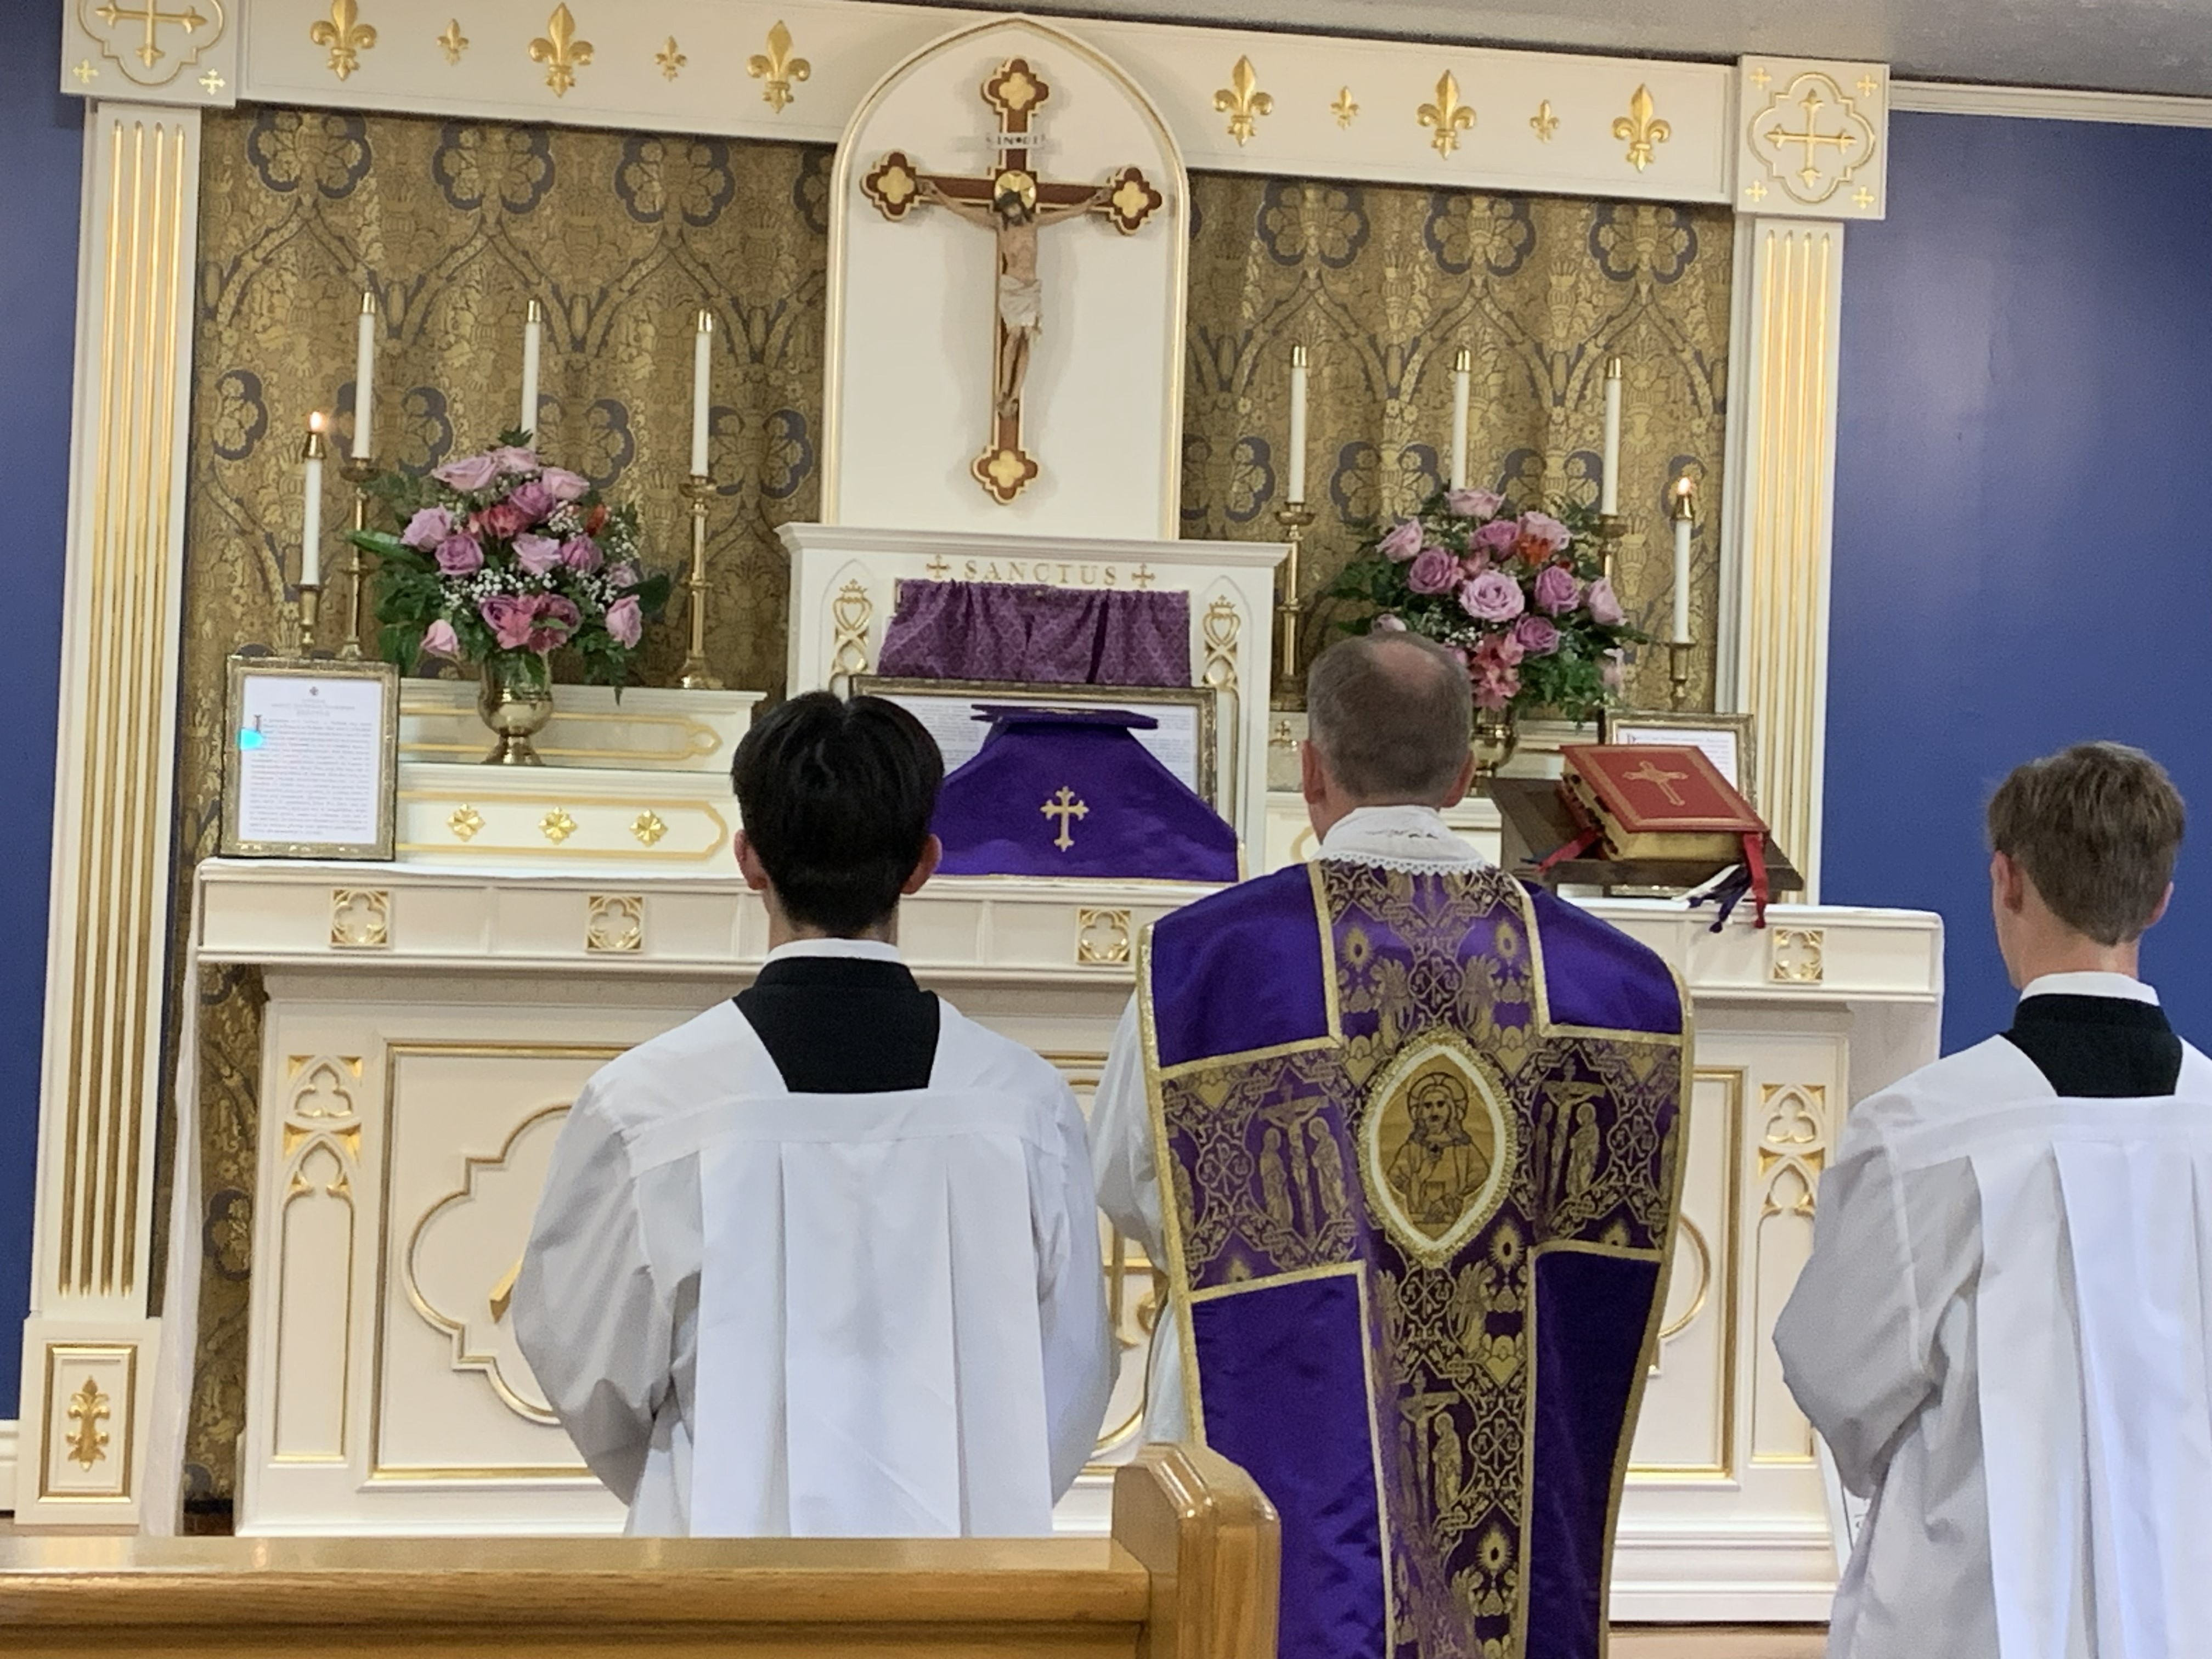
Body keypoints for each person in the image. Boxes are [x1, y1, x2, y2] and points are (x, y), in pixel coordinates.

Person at [1090, 631, 1688, 1659]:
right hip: (1516, 1419)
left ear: (1310, 768)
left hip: (1279, 1411)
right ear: (1466, 775)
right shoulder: (1611, 979)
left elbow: (1141, 1186)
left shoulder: (1214, 962)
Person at [514, 691, 1113, 1537]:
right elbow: (1072, 1372)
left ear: (749, 859)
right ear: (923, 865)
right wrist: (980, 1485)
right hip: (973, 1587)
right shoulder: (1023, 1102)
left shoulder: (649, 1103)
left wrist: (702, 1477)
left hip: (719, 1582)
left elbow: (588, 1368)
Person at [1778, 742, 2208, 1659]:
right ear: (2162, 897)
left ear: (2006, 882)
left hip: (1972, 1603)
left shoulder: (1923, 1131)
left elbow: (1839, 1382)